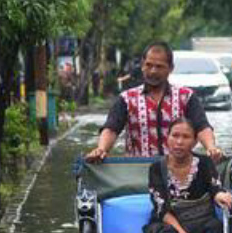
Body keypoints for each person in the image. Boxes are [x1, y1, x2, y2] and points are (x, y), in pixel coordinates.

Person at [85, 41, 223, 163]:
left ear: (170, 68)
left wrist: (211, 148)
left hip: (178, 173)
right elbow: (111, 128)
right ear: (142, 65)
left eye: (159, 66)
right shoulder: (127, 99)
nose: (153, 71)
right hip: (137, 174)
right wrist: (101, 149)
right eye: (149, 65)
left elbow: (202, 127)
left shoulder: (186, 97)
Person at [144, 118, 232, 233]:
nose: (179, 142)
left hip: (201, 221)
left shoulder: (205, 163)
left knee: (215, 227)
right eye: (175, 136)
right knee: (164, 231)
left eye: (185, 137)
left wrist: (220, 195)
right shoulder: (156, 168)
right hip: (170, 222)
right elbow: (161, 208)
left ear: (194, 142)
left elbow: (215, 187)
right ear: (168, 138)